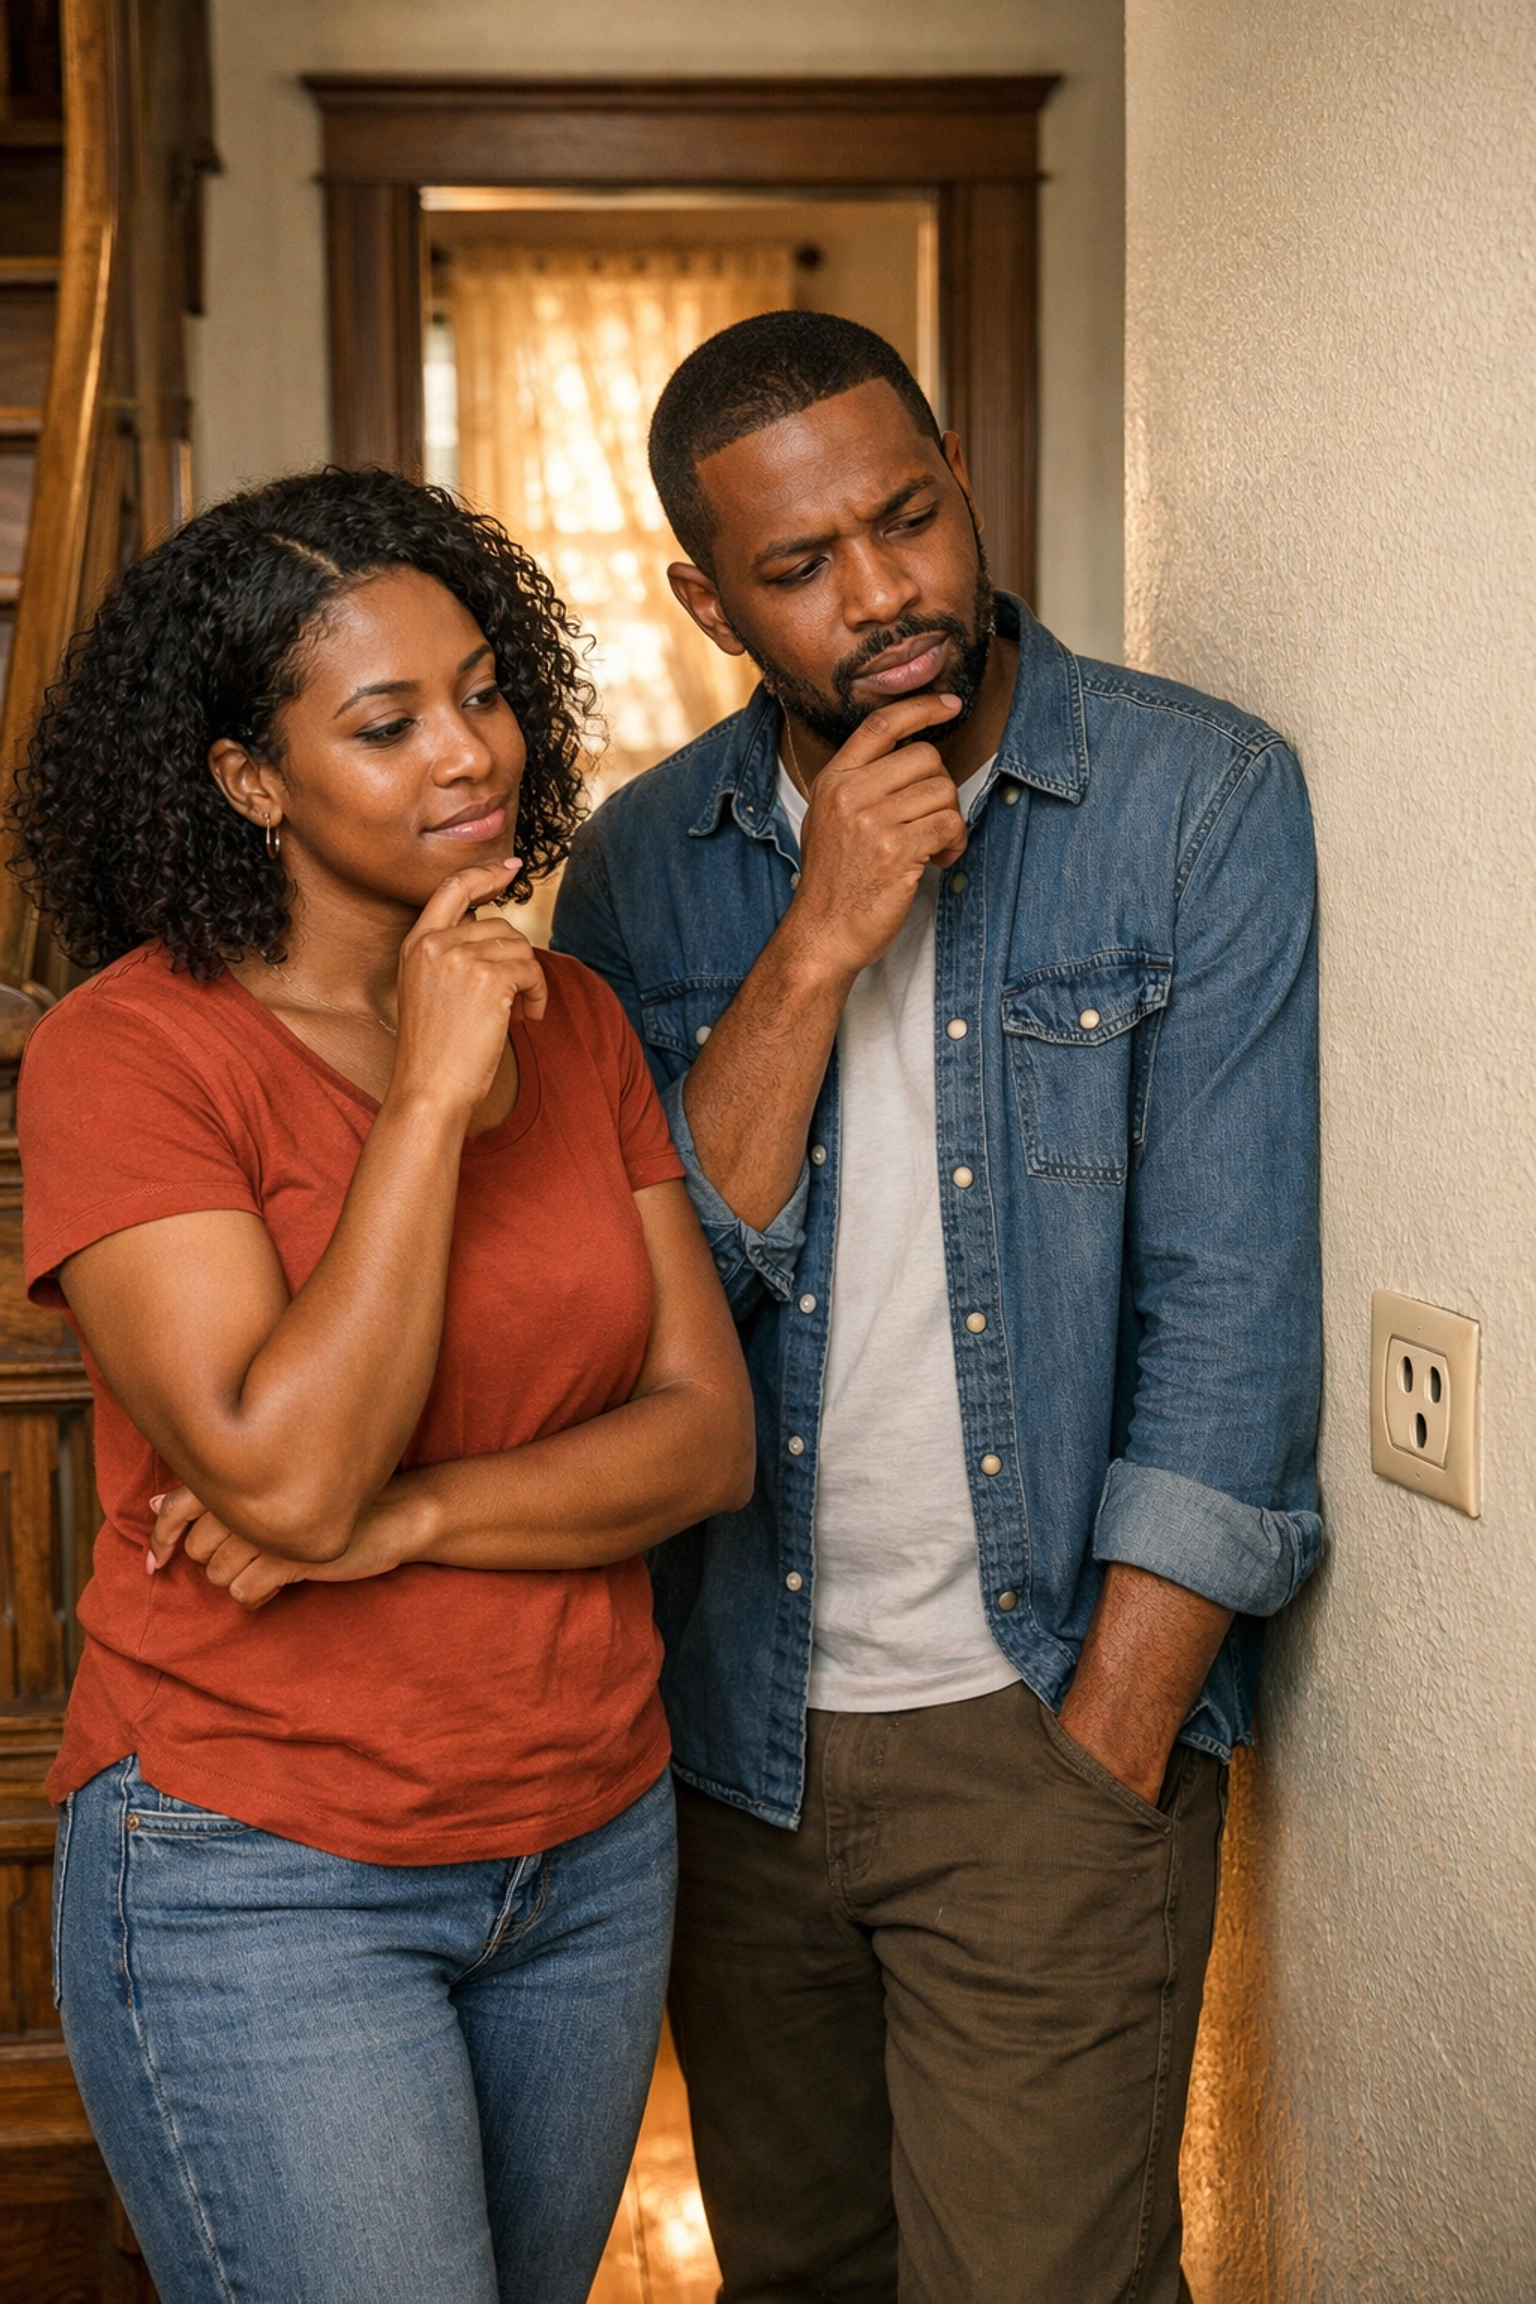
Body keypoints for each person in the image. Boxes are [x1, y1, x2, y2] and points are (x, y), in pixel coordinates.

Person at [552, 311, 1322, 2304]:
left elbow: (1230, 1312)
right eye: (802, 568)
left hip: (1045, 1723)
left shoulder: (1193, 800)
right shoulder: (645, 874)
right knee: (798, 2276)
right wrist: (811, 946)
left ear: (963, 467)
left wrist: (1109, 1744)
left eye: (907, 517)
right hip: (734, 1740)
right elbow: (642, 1325)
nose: (884, 596)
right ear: (707, 598)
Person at [13, 466, 753, 2304]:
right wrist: (423, 1095)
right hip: (255, 1864)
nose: (470, 753)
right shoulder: (129, 1053)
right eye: (387, 721)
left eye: (485, 689)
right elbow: (283, 1478)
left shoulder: (571, 1019)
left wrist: (403, 1522)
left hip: (587, 1842)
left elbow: (706, 1437)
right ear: (247, 778)